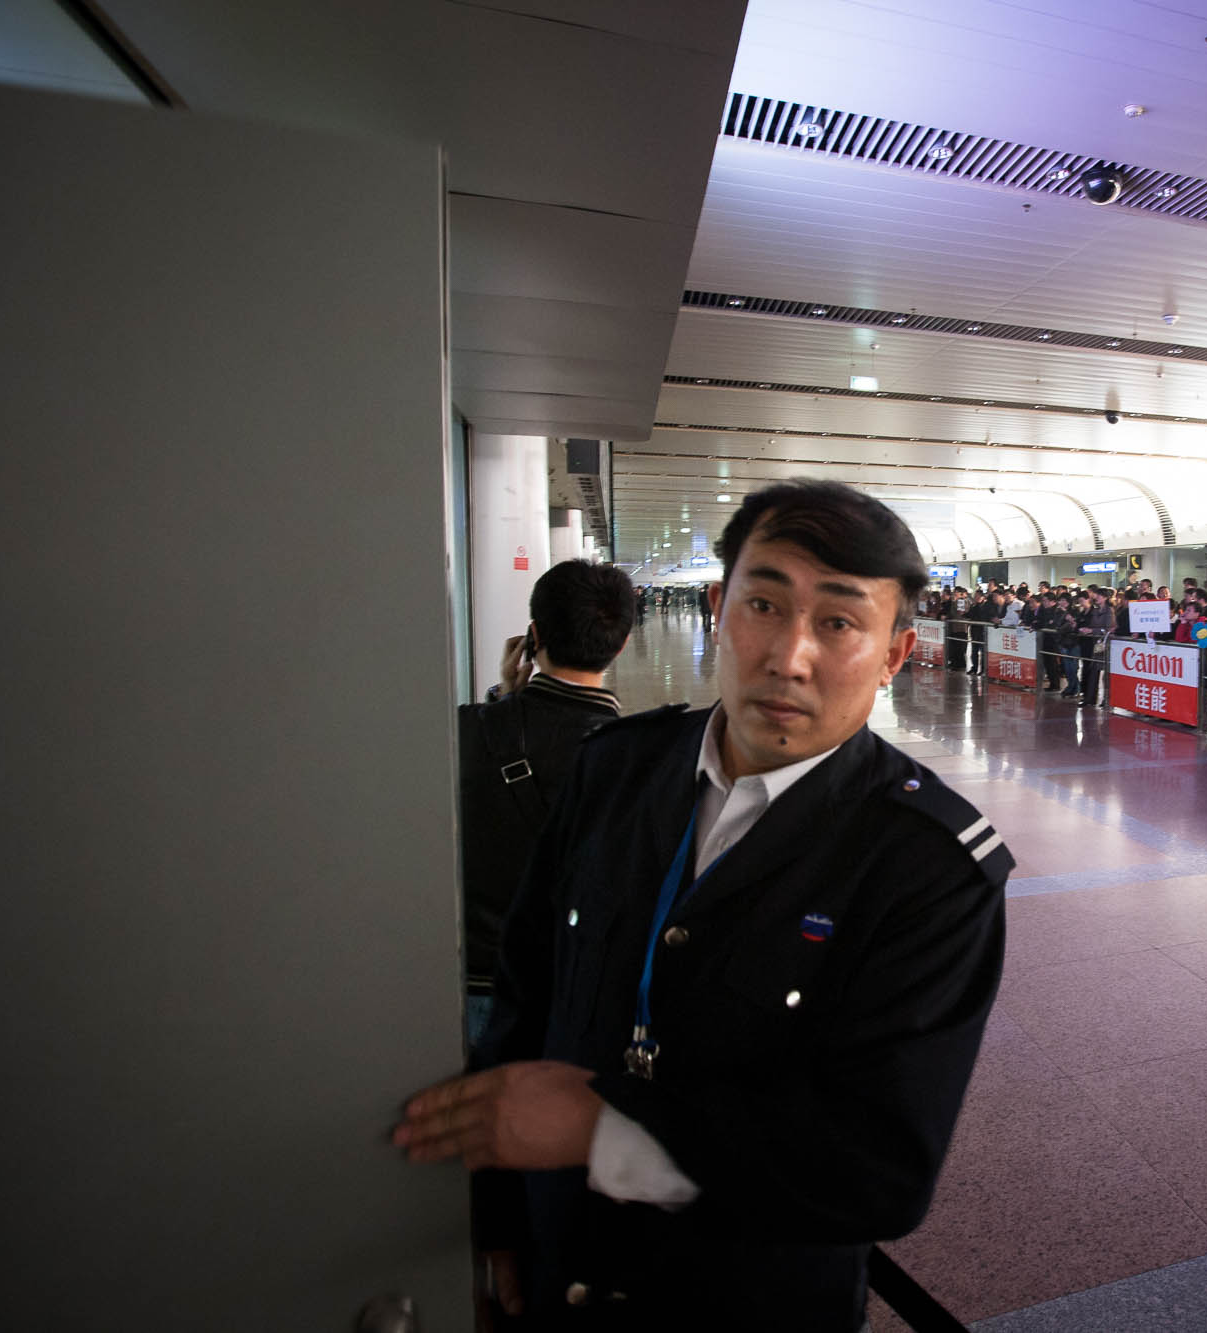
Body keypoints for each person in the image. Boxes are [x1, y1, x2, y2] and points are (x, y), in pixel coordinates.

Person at [397, 482, 1010, 1329]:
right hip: (556, 1274)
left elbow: (880, 1167)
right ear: (719, 607)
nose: (788, 657)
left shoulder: (927, 866)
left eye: (838, 622)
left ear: (896, 652)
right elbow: (526, 993)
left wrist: (600, 1129)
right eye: (764, 603)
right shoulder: (615, 770)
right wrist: (499, 1217)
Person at [459, 560, 634, 1049]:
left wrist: (504, 699)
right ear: (620, 644)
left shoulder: (465, 731)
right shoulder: (641, 758)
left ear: (533, 636)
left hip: (470, 984)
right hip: (577, 991)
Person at [1077, 586, 1113, 707]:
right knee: (1093, 669)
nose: (1096, 597)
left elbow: (1108, 628)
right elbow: (1093, 625)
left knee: (1105, 672)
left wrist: (1092, 630)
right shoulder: (1096, 611)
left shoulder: (1109, 611)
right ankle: (1090, 698)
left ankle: (1106, 698)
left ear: (1105, 598)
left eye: (1099, 595)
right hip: (1096, 643)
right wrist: (1088, 630)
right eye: (1096, 595)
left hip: (1105, 643)